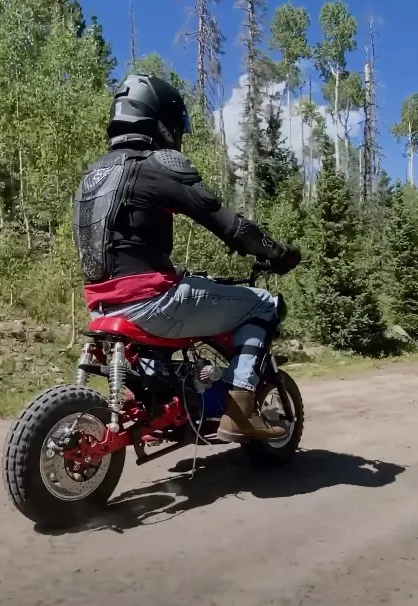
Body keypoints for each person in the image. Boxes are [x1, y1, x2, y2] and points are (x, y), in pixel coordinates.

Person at [72, 74, 301, 442]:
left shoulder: (95, 174)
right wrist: (277, 252)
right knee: (263, 303)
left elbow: (123, 246)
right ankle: (240, 407)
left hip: (102, 307)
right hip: (151, 303)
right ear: (161, 120)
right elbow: (228, 224)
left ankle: (165, 404)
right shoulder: (156, 164)